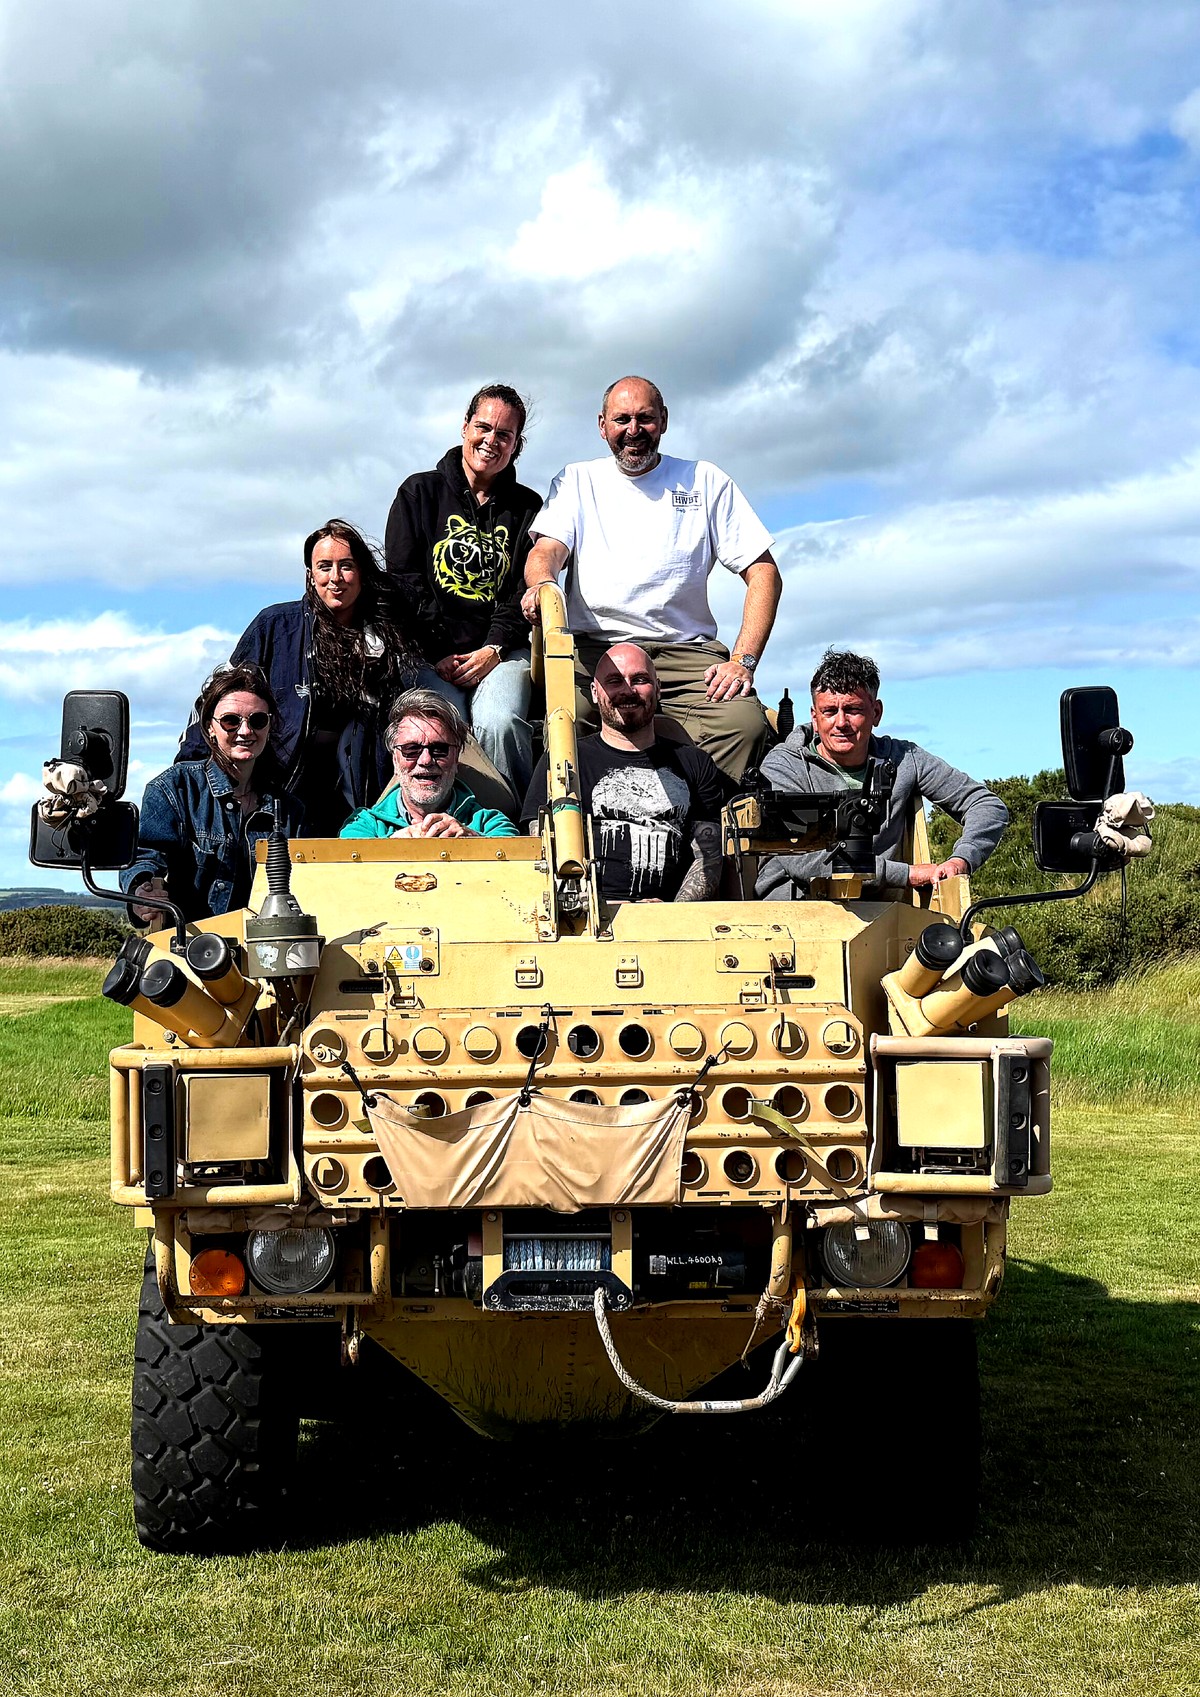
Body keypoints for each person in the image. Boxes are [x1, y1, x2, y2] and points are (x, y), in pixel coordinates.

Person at [520, 375, 782, 781]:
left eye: (645, 418)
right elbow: (547, 551)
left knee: (743, 724)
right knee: (564, 725)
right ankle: (594, 829)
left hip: (686, 655)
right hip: (598, 649)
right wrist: (542, 583)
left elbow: (764, 571)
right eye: (621, 419)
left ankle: (699, 825)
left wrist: (742, 661)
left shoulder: (705, 480)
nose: (633, 430)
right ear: (602, 425)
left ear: (664, 420)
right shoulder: (577, 480)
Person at [180, 520, 422, 836]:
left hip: (356, 796)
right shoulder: (276, 626)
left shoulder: (388, 639)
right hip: (280, 787)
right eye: (325, 567)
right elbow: (217, 701)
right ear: (310, 575)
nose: (336, 578)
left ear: (362, 572)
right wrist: (188, 779)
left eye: (346, 566)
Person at [385, 384, 541, 796]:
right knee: (437, 725)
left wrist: (492, 649)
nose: (491, 440)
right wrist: (438, 652)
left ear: (516, 446)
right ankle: (434, 822)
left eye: (504, 434)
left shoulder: (529, 508)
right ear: (464, 427)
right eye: (483, 427)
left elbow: (519, 593)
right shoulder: (417, 493)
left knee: (499, 720)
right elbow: (405, 581)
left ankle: (515, 823)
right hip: (429, 651)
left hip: (501, 652)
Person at [756, 649, 1009, 899]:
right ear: (814, 716)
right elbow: (803, 859)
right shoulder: (783, 767)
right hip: (791, 917)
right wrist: (907, 874)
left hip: (882, 920)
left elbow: (986, 805)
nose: (841, 722)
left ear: (876, 713)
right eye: (830, 711)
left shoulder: (904, 758)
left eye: (853, 710)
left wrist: (961, 859)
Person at [520, 644, 726, 903]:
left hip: (672, 925)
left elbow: (708, 857)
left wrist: (675, 912)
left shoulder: (695, 763)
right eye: (614, 681)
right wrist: (588, 903)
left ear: (658, 688)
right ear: (595, 693)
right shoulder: (564, 760)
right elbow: (538, 848)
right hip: (584, 922)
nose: (627, 690)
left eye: (639, 679)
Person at [124, 664, 299, 922]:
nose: (245, 731)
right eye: (231, 721)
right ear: (209, 728)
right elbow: (145, 856)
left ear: (270, 726)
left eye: (257, 720)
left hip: (268, 948)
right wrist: (143, 891)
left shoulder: (291, 810)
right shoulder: (174, 789)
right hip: (191, 949)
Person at [340, 689, 518, 839]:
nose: (425, 760)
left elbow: (514, 862)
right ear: (395, 759)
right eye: (411, 749)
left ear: (456, 759)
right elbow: (344, 868)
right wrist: (389, 848)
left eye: (439, 749)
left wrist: (471, 840)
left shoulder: (492, 824)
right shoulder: (362, 826)